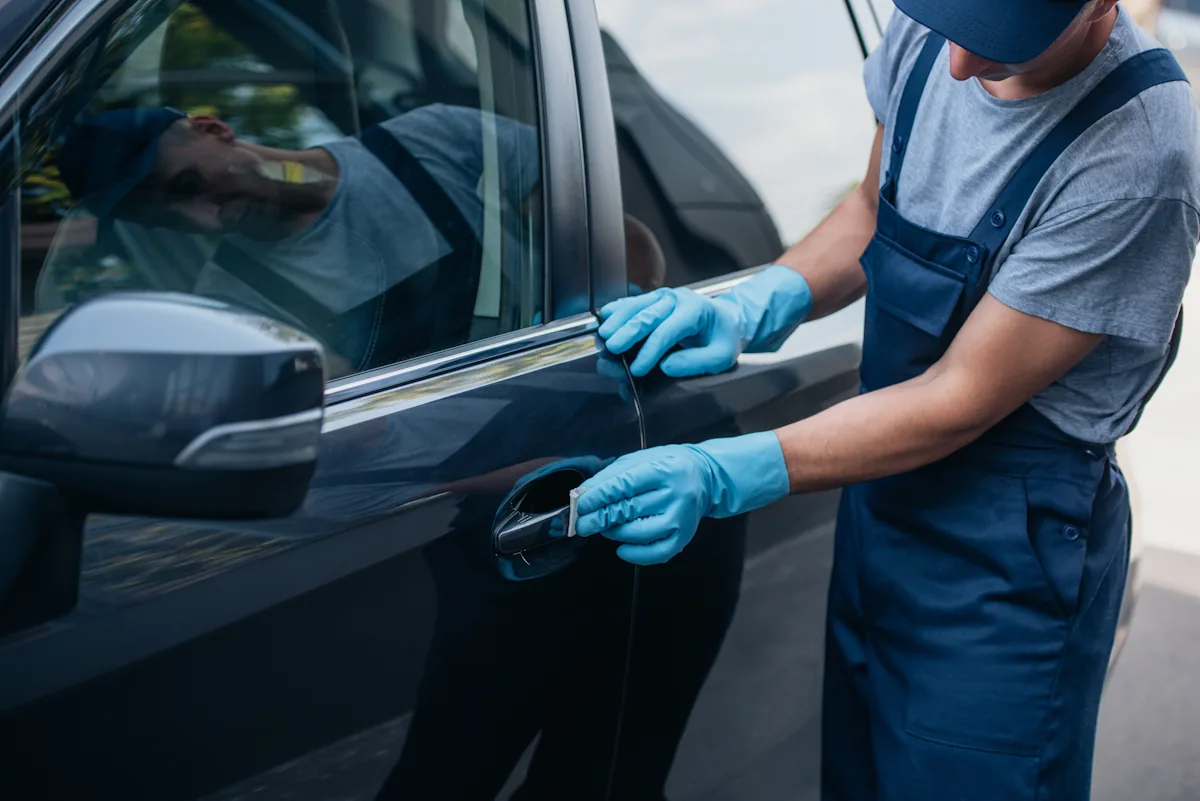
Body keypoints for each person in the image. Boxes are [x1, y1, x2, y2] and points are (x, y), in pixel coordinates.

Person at [574, 1, 1200, 799]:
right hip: (879, 514)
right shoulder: (934, 25)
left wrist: (722, 472)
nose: (959, 66)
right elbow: (873, 207)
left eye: (999, 48)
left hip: (1005, 562)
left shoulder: (1139, 148)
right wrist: (762, 298)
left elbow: (958, 397)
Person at [55, 102, 541, 376]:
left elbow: (602, 227)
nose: (205, 222)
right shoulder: (233, 305)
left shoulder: (432, 139)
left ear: (214, 130)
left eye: (188, 185)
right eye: (170, 222)